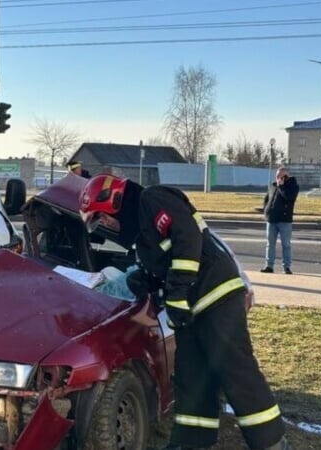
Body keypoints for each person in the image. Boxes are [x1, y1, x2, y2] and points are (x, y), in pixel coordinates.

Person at [79, 174, 289, 450]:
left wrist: (176, 294)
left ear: (115, 201)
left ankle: (271, 442)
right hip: (190, 311)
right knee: (192, 376)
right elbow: (161, 268)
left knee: (236, 372)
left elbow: (187, 239)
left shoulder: (153, 199)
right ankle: (192, 442)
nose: (104, 225)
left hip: (217, 296)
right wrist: (141, 282)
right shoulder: (140, 237)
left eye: (101, 217)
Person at [261, 168, 298, 275]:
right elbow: (267, 199)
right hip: (271, 219)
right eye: (277, 176)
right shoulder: (273, 185)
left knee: (286, 244)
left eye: (281, 176)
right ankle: (269, 266)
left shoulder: (292, 186)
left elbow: (289, 197)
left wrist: (281, 186)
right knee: (270, 244)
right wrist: (266, 211)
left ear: (286, 176)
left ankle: (286, 267)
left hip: (284, 220)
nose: (278, 178)